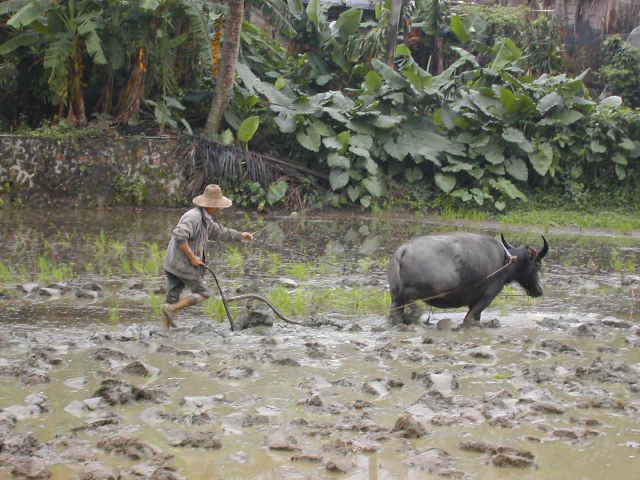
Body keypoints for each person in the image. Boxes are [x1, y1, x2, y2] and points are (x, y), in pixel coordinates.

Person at [162, 184, 253, 329]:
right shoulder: (195, 217)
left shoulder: (206, 219)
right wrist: (192, 258)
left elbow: (219, 232)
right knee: (203, 293)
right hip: (183, 265)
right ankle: (172, 310)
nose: (219, 209)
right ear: (210, 205)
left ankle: (164, 333)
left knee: (172, 297)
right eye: (217, 206)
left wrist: (240, 235)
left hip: (172, 263)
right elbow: (179, 235)